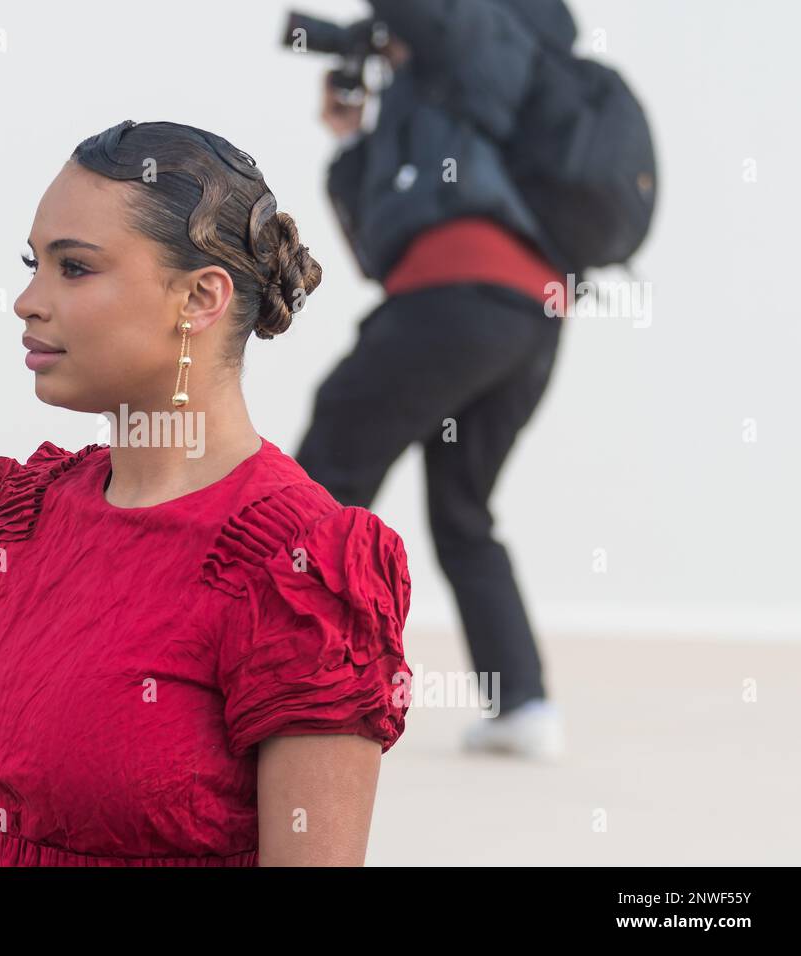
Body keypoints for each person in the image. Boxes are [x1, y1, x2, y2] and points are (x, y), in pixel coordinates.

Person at [0, 120, 412, 867]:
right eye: (34, 263)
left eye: (75, 269)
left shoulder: (299, 566)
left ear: (199, 298)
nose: (26, 300)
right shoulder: (29, 520)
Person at [295, 0, 577, 761]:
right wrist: (352, 137)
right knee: (462, 510)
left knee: (320, 479)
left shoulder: (485, 40)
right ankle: (523, 704)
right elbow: (378, 245)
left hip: (458, 298)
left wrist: (397, 33)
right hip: (527, 315)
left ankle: (272, 677)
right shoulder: (461, 100)